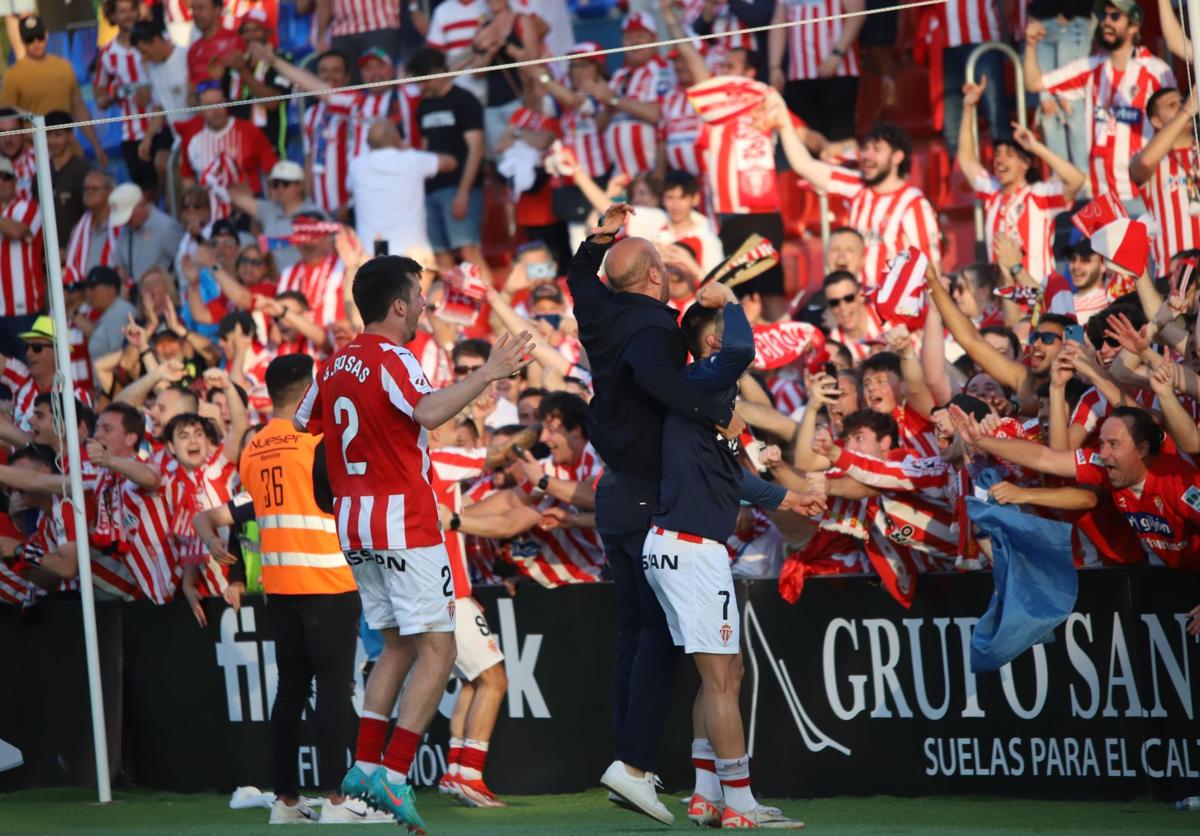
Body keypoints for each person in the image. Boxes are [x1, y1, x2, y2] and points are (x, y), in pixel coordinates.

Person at [293, 255, 532, 831]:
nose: (425, 304)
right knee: (439, 648)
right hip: (404, 519)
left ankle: (363, 770)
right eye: (420, 295)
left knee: (396, 646)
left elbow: (305, 424)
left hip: (353, 520)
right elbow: (426, 411)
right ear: (399, 305)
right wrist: (488, 373)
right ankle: (395, 778)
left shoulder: (334, 363)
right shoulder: (394, 356)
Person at [566, 203, 741, 824]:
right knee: (662, 635)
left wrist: (599, 240)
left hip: (613, 493)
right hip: (643, 494)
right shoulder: (650, 331)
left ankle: (627, 761)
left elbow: (579, 276)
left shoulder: (600, 309)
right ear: (656, 277)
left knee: (634, 633)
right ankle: (635, 763)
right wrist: (718, 415)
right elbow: (661, 380)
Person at [645, 289, 817, 829]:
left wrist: (786, 497)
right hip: (689, 549)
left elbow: (732, 479)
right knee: (722, 678)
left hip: (688, 548)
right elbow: (742, 352)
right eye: (716, 327)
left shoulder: (703, 404)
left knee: (724, 672)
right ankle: (740, 804)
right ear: (709, 342)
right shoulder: (701, 380)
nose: (723, 335)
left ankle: (704, 794)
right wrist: (734, 300)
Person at [196, 355, 383, 824]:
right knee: (335, 692)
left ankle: (286, 802)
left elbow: (232, 514)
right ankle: (339, 800)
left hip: (281, 588)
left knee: (291, 692)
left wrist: (212, 539)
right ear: (307, 392)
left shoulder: (255, 447)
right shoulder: (318, 440)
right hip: (328, 582)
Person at [1024, 0, 1173, 207]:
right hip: (1102, 200)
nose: (1106, 22)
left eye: (1114, 17)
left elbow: (1173, 129)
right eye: (1103, 17)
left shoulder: (1157, 71)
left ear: (1133, 26)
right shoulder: (1091, 68)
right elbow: (1034, 84)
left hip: (1144, 194)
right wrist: (1031, 46)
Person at [777, 113, 939, 289]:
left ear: (897, 157)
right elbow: (804, 165)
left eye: (876, 149)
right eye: (865, 148)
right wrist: (784, 124)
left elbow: (931, 266)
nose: (867, 155)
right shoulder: (858, 186)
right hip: (859, 300)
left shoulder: (913, 203)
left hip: (896, 307)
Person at [957, 79, 1086, 283]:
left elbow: (1076, 179)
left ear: (1025, 164)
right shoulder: (992, 192)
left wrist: (1035, 147)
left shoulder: (1038, 194)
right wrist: (968, 107)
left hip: (1037, 297)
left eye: (1009, 154)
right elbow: (966, 159)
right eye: (997, 154)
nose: (999, 159)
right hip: (1003, 300)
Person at [407, 47, 489, 282]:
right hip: (431, 190)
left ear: (435, 72)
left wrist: (463, 192)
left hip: (459, 188)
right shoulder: (424, 106)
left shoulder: (464, 100)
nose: (420, 86)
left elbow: (476, 148)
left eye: (421, 79)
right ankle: (455, 313)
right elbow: (424, 150)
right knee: (442, 259)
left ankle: (492, 311)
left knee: (469, 253)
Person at [0, 16, 108, 166]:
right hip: (35, 155)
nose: (36, 43)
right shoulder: (13, 76)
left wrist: (97, 146)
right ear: (22, 41)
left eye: (39, 37)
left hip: (70, 150)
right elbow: (8, 119)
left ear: (46, 35)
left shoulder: (64, 67)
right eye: (30, 39)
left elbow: (79, 109)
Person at [347, 119, 457, 259]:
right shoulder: (412, 160)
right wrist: (406, 149)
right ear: (397, 137)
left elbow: (350, 189)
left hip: (373, 251)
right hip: (411, 252)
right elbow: (450, 163)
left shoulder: (356, 166)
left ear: (368, 142)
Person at [768, 0, 864, 143]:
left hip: (840, 71)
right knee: (808, 140)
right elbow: (779, 22)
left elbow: (857, 13)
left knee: (840, 139)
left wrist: (837, 54)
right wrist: (774, 66)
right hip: (799, 73)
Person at [1130, 87, 1200, 273]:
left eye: (1182, 101)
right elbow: (1144, 163)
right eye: (1172, 105)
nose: (1182, 106)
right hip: (1173, 277)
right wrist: (1186, 112)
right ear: (1155, 121)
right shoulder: (1154, 161)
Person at [179, 84, 279, 210]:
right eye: (209, 105)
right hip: (210, 211)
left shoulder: (249, 132)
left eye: (220, 103)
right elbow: (187, 179)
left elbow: (272, 172)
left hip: (249, 210)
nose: (216, 110)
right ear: (200, 109)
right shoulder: (191, 138)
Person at [95, 0, 157, 194]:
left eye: (132, 10)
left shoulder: (154, 41)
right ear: (113, 16)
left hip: (161, 128)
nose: (128, 15)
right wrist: (123, 92)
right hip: (131, 133)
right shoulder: (107, 54)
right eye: (122, 11)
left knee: (168, 181)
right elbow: (101, 98)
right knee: (145, 194)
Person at [229, 160, 323, 271]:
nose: (280, 188)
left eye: (286, 183)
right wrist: (216, 178)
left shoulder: (314, 213)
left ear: (300, 186)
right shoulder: (269, 209)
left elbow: (325, 249)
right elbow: (237, 198)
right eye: (275, 184)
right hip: (276, 282)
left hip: (305, 279)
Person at [0, 154, 43, 345]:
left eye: (6, 176)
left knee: (32, 369)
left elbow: (17, 231)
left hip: (24, 310)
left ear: (15, 181)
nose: (1, 182)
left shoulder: (28, 207)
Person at [110, 183, 185, 286]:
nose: (126, 222)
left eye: (129, 216)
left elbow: (183, 263)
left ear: (141, 204)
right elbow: (120, 266)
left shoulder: (166, 227)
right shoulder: (125, 232)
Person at [44, 111, 90, 247]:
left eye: (58, 135)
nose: (52, 141)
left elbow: (90, 216)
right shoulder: (40, 173)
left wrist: (72, 248)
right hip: (45, 255)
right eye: (48, 135)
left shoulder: (84, 171)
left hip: (76, 251)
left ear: (70, 136)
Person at [823, 270, 883, 364]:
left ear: (861, 296)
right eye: (834, 302)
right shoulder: (834, 346)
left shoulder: (887, 316)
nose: (842, 307)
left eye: (849, 298)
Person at [79, 266, 137, 360]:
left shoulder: (118, 313)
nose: (88, 293)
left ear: (110, 289)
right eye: (87, 289)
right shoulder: (112, 312)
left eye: (93, 288)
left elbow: (121, 361)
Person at [187, 0, 245, 88]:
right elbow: (191, 91)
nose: (195, 14)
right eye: (193, 8)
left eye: (201, 8)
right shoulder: (193, 50)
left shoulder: (235, 41)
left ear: (217, 10)